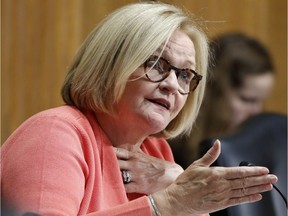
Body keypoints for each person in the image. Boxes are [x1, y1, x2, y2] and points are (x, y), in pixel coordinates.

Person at [1, 2, 277, 216]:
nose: (172, 85)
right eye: (157, 64)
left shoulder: (155, 152)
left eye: (184, 76)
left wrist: (176, 180)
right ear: (110, 64)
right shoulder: (55, 135)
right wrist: (164, 205)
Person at [169, 33, 275, 169]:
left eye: (261, 101)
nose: (257, 112)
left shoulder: (264, 150)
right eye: (247, 100)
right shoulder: (171, 145)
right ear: (214, 92)